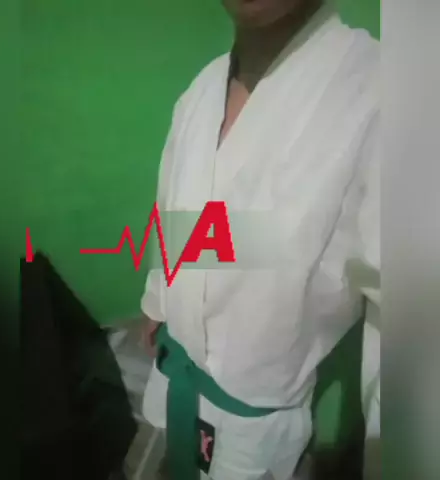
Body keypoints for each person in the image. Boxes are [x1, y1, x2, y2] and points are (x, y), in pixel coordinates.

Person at [140, 1, 380, 479]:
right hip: (176, 377)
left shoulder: (381, 93)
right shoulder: (202, 90)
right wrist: (159, 300)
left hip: (255, 434)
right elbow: (174, 215)